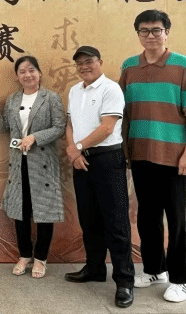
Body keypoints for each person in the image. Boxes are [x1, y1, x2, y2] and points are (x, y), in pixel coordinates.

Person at [119, 9, 186, 303]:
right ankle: (155, 270)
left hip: (175, 158)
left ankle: (181, 279)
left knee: (178, 221)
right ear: (138, 34)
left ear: (167, 32)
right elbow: (124, 113)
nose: (151, 36)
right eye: (144, 31)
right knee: (147, 217)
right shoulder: (129, 67)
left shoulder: (184, 65)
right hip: (141, 156)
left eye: (157, 30)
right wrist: (126, 151)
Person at [63, 46, 134, 308]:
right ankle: (94, 268)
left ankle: (124, 281)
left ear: (100, 62)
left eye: (89, 61)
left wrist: (78, 148)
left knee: (116, 222)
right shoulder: (74, 90)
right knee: (89, 218)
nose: (84, 66)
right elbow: (70, 124)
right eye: (79, 63)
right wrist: (74, 152)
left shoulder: (111, 89)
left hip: (107, 160)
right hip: (81, 161)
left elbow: (107, 128)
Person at [0, 55, 65, 279]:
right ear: (17, 77)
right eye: (22, 72)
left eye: (31, 70)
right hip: (19, 163)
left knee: (44, 212)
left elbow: (59, 127)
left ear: (39, 73)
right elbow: (4, 128)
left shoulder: (51, 98)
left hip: (43, 163)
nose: (27, 75)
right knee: (21, 211)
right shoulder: (12, 100)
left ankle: (41, 259)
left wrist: (35, 137)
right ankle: (25, 255)